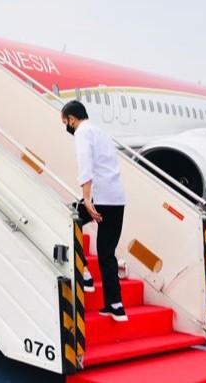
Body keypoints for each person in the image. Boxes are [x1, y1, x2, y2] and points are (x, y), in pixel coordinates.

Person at [60, 100, 128, 322]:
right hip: (116, 198)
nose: (66, 127)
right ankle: (115, 305)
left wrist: (87, 199)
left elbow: (85, 165)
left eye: (65, 122)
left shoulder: (82, 132)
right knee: (107, 253)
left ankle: (85, 274)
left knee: (64, 219)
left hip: (98, 196)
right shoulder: (101, 132)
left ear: (72, 119)